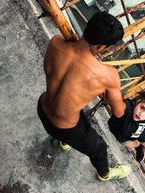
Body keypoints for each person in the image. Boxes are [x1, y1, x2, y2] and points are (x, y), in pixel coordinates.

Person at [37, 11, 131, 181]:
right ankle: (105, 174)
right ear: (101, 47)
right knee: (99, 148)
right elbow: (118, 112)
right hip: (65, 128)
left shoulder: (56, 42)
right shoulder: (108, 76)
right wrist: (113, 95)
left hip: (42, 108)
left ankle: (64, 142)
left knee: (76, 113)